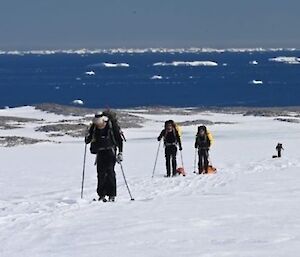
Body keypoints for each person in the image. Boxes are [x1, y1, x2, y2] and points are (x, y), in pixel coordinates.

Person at [85, 111, 123, 202]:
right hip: (100, 152)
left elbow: (118, 139)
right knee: (101, 173)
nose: (98, 124)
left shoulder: (111, 126)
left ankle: (111, 194)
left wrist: (120, 152)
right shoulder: (94, 127)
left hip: (111, 151)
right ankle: (102, 194)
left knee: (110, 172)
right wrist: (87, 136)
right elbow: (88, 140)